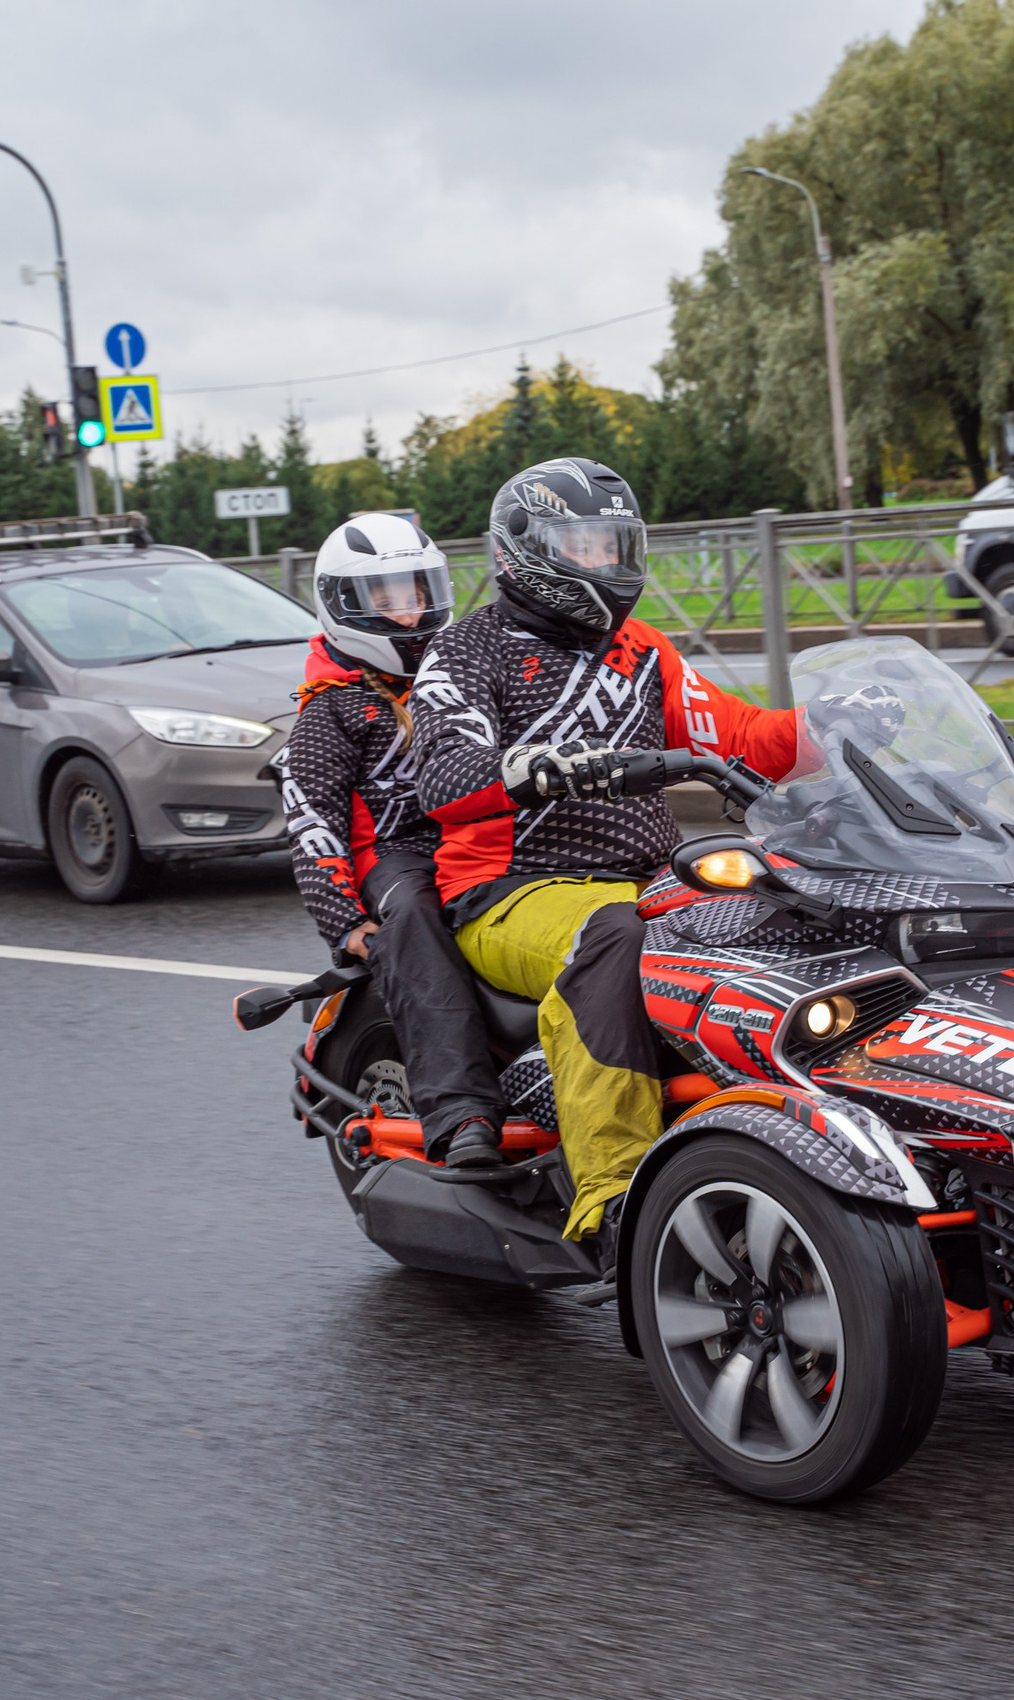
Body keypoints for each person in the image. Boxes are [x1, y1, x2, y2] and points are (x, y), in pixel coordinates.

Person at [409, 458, 802, 1247]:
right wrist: (522, 769)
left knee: (795, 910)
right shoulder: (464, 653)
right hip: (509, 891)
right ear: (525, 550)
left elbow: (740, 735)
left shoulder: (642, 651)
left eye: (616, 544)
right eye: (584, 545)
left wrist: (839, 727)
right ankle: (613, 1195)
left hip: (652, 879)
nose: (607, 564)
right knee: (614, 935)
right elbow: (443, 777)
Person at [277, 512, 506, 1168]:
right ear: (345, 604)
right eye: (388, 600)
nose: (410, 615)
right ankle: (460, 1112)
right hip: (395, 855)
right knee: (415, 916)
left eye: (418, 593)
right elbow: (310, 818)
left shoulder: (456, 677)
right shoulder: (332, 707)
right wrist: (344, 921)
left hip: (477, 829)